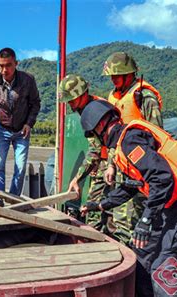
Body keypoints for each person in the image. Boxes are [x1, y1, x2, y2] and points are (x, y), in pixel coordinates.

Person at [79, 100, 177, 296]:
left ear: (100, 126)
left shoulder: (129, 141)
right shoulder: (124, 144)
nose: (96, 140)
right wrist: (101, 204)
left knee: (164, 269)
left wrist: (145, 220)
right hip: (173, 203)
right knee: (141, 256)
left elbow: (162, 178)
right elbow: (132, 186)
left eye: (93, 135)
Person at [102, 52, 164, 232]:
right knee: (120, 219)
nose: (113, 80)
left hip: (142, 167)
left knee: (140, 218)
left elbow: (157, 136)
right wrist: (111, 165)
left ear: (129, 74)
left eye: (117, 76)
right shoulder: (114, 97)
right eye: (111, 76)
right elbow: (113, 137)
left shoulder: (144, 97)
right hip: (123, 166)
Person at [0, 48, 41, 206]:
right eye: (1, 66)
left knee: (20, 168)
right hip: (1, 129)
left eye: (8, 65)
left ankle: (13, 201)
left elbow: (35, 103)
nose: (4, 70)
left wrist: (29, 123)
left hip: (22, 130)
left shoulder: (28, 80)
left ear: (16, 64)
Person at [58, 74, 113, 230]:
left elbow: (95, 150)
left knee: (112, 213)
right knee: (94, 207)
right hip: (103, 162)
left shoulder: (96, 109)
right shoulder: (86, 109)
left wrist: (77, 177)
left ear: (83, 95)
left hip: (113, 163)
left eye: (73, 100)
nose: (70, 104)